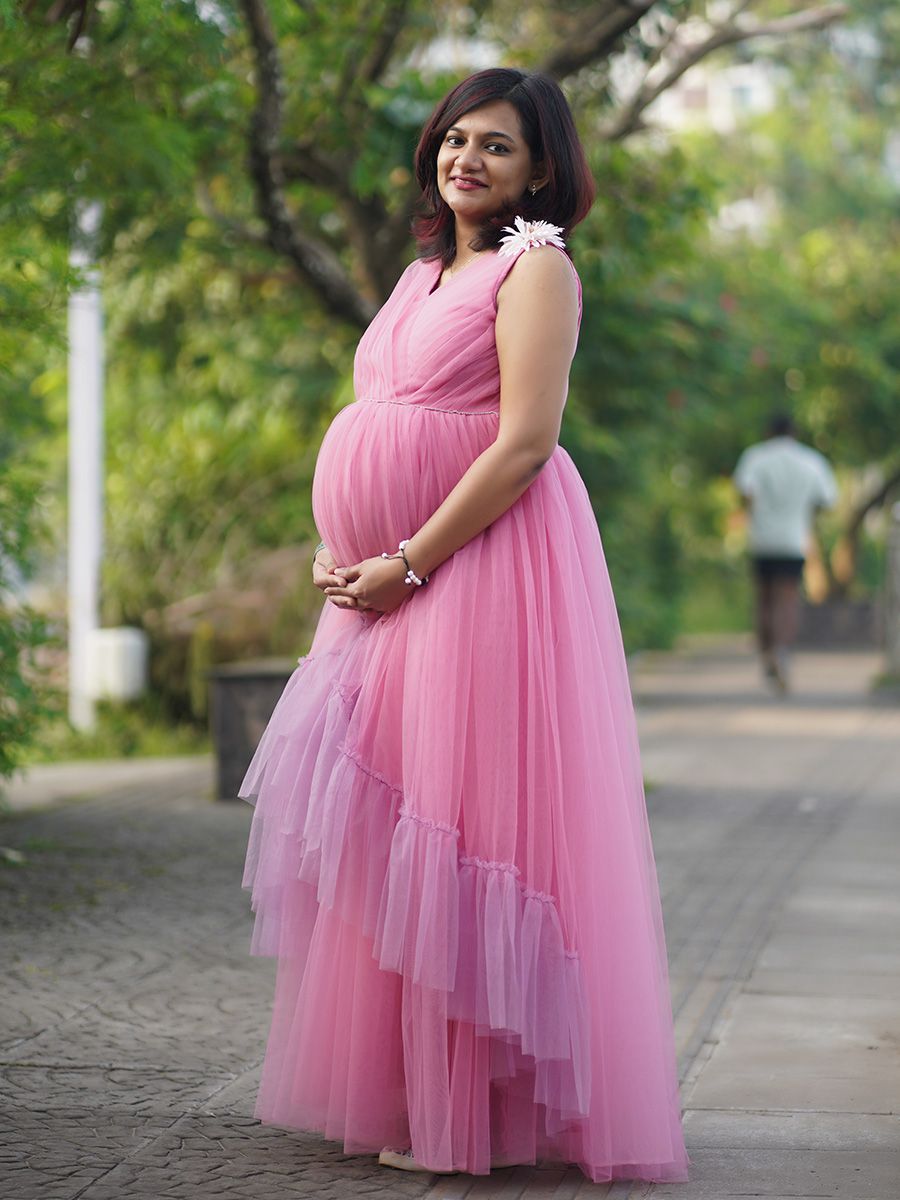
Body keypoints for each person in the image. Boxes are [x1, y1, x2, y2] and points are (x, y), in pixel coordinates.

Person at [239, 67, 689, 1185]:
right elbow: (377, 420)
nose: (467, 161)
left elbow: (524, 442)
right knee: (390, 833)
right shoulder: (419, 273)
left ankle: (478, 1111)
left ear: (541, 168)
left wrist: (404, 558)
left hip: (475, 574)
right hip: (379, 588)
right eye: (455, 140)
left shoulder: (536, 271)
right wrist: (339, 545)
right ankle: (404, 1084)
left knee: (462, 826)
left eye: (497, 146)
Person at [734, 413, 838, 692]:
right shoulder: (811, 460)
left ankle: (767, 653)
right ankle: (782, 651)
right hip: (794, 540)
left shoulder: (755, 457)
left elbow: (745, 493)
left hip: (763, 541)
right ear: (794, 432)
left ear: (769, 431)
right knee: (788, 599)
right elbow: (828, 499)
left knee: (764, 599)